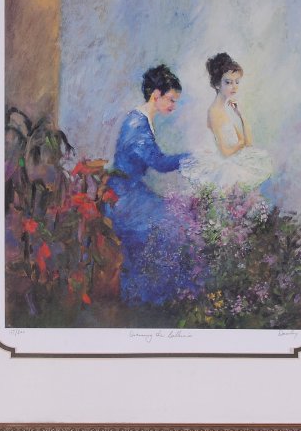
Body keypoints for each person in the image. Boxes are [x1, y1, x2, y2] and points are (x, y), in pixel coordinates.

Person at [107, 64, 191, 304]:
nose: (173, 106)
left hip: (130, 192)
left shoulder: (143, 120)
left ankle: (151, 294)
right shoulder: (137, 125)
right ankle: (153, 296)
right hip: (123, 198)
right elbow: (159, 162)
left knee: (175, 218)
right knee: (174, 222)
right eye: (171, 100)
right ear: (156, 94)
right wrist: (191, 158)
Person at [180, 52, 272, 190]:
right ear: (217, 84)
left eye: (237, 82)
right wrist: (241, 143)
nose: (234, 86)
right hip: (223, 165)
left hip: (233, 160)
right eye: (228, 82)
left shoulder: (226, 109)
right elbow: (225, 152)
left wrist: (241, 115)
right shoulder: (214, 112)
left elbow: (248, 143)